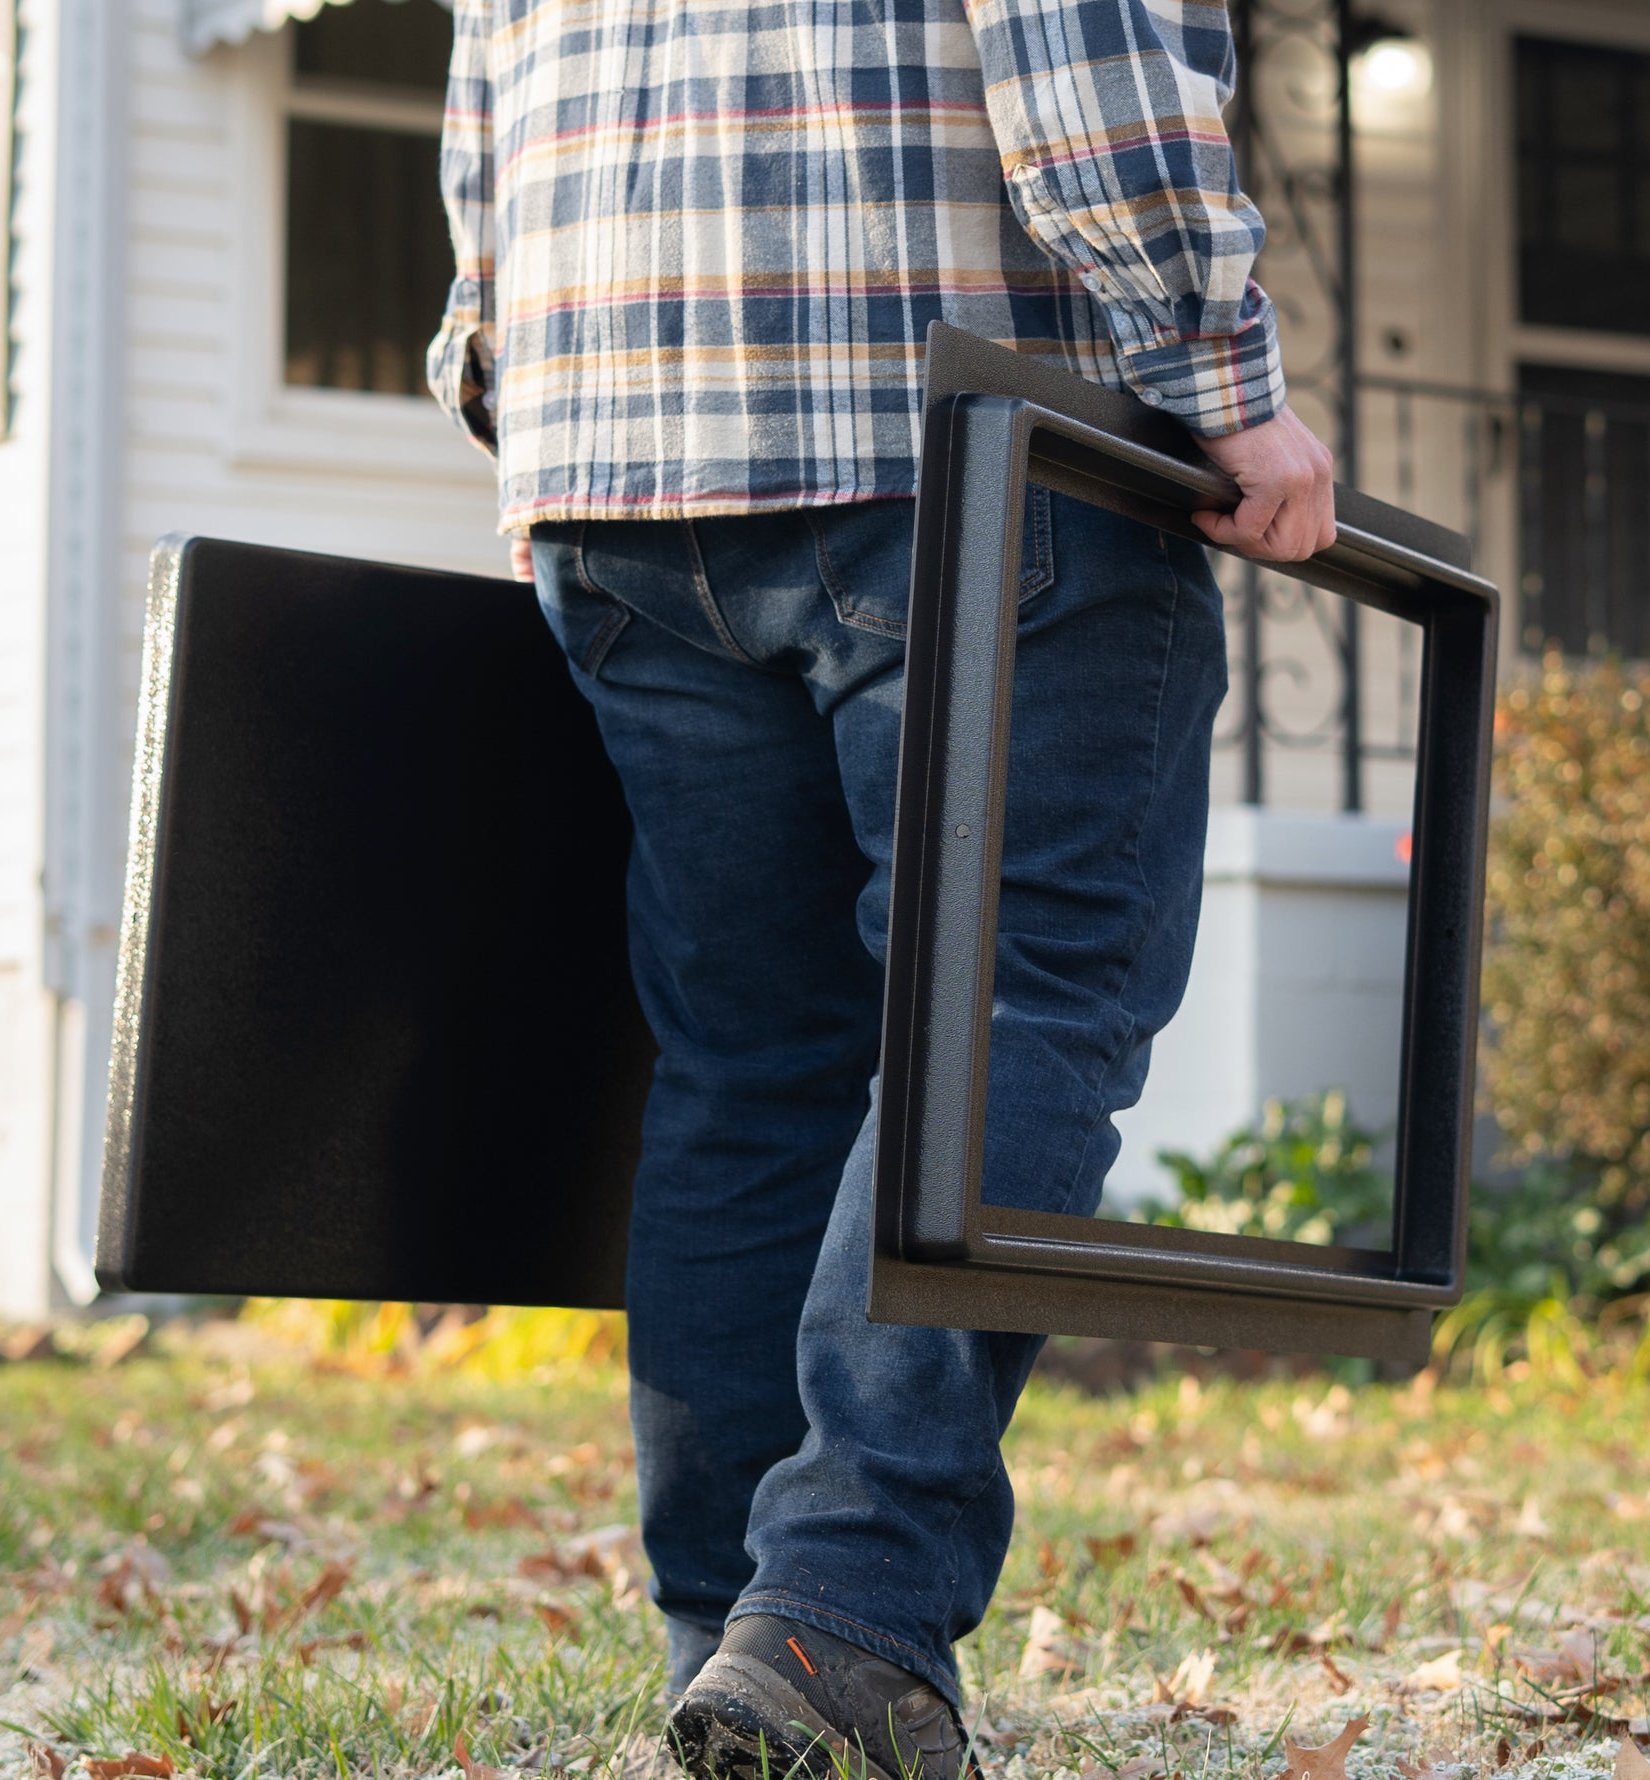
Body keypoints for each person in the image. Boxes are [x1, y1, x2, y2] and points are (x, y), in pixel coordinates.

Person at [428, 0, 1335, 1773]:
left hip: (620, 458)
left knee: (749, 1066)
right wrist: (1224, 375)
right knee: (1018, 998)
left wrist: (514, 393)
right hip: (958, 427)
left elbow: (481, 116)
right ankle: (836, 1616)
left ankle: (732, 1630)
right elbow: (1084, 33)